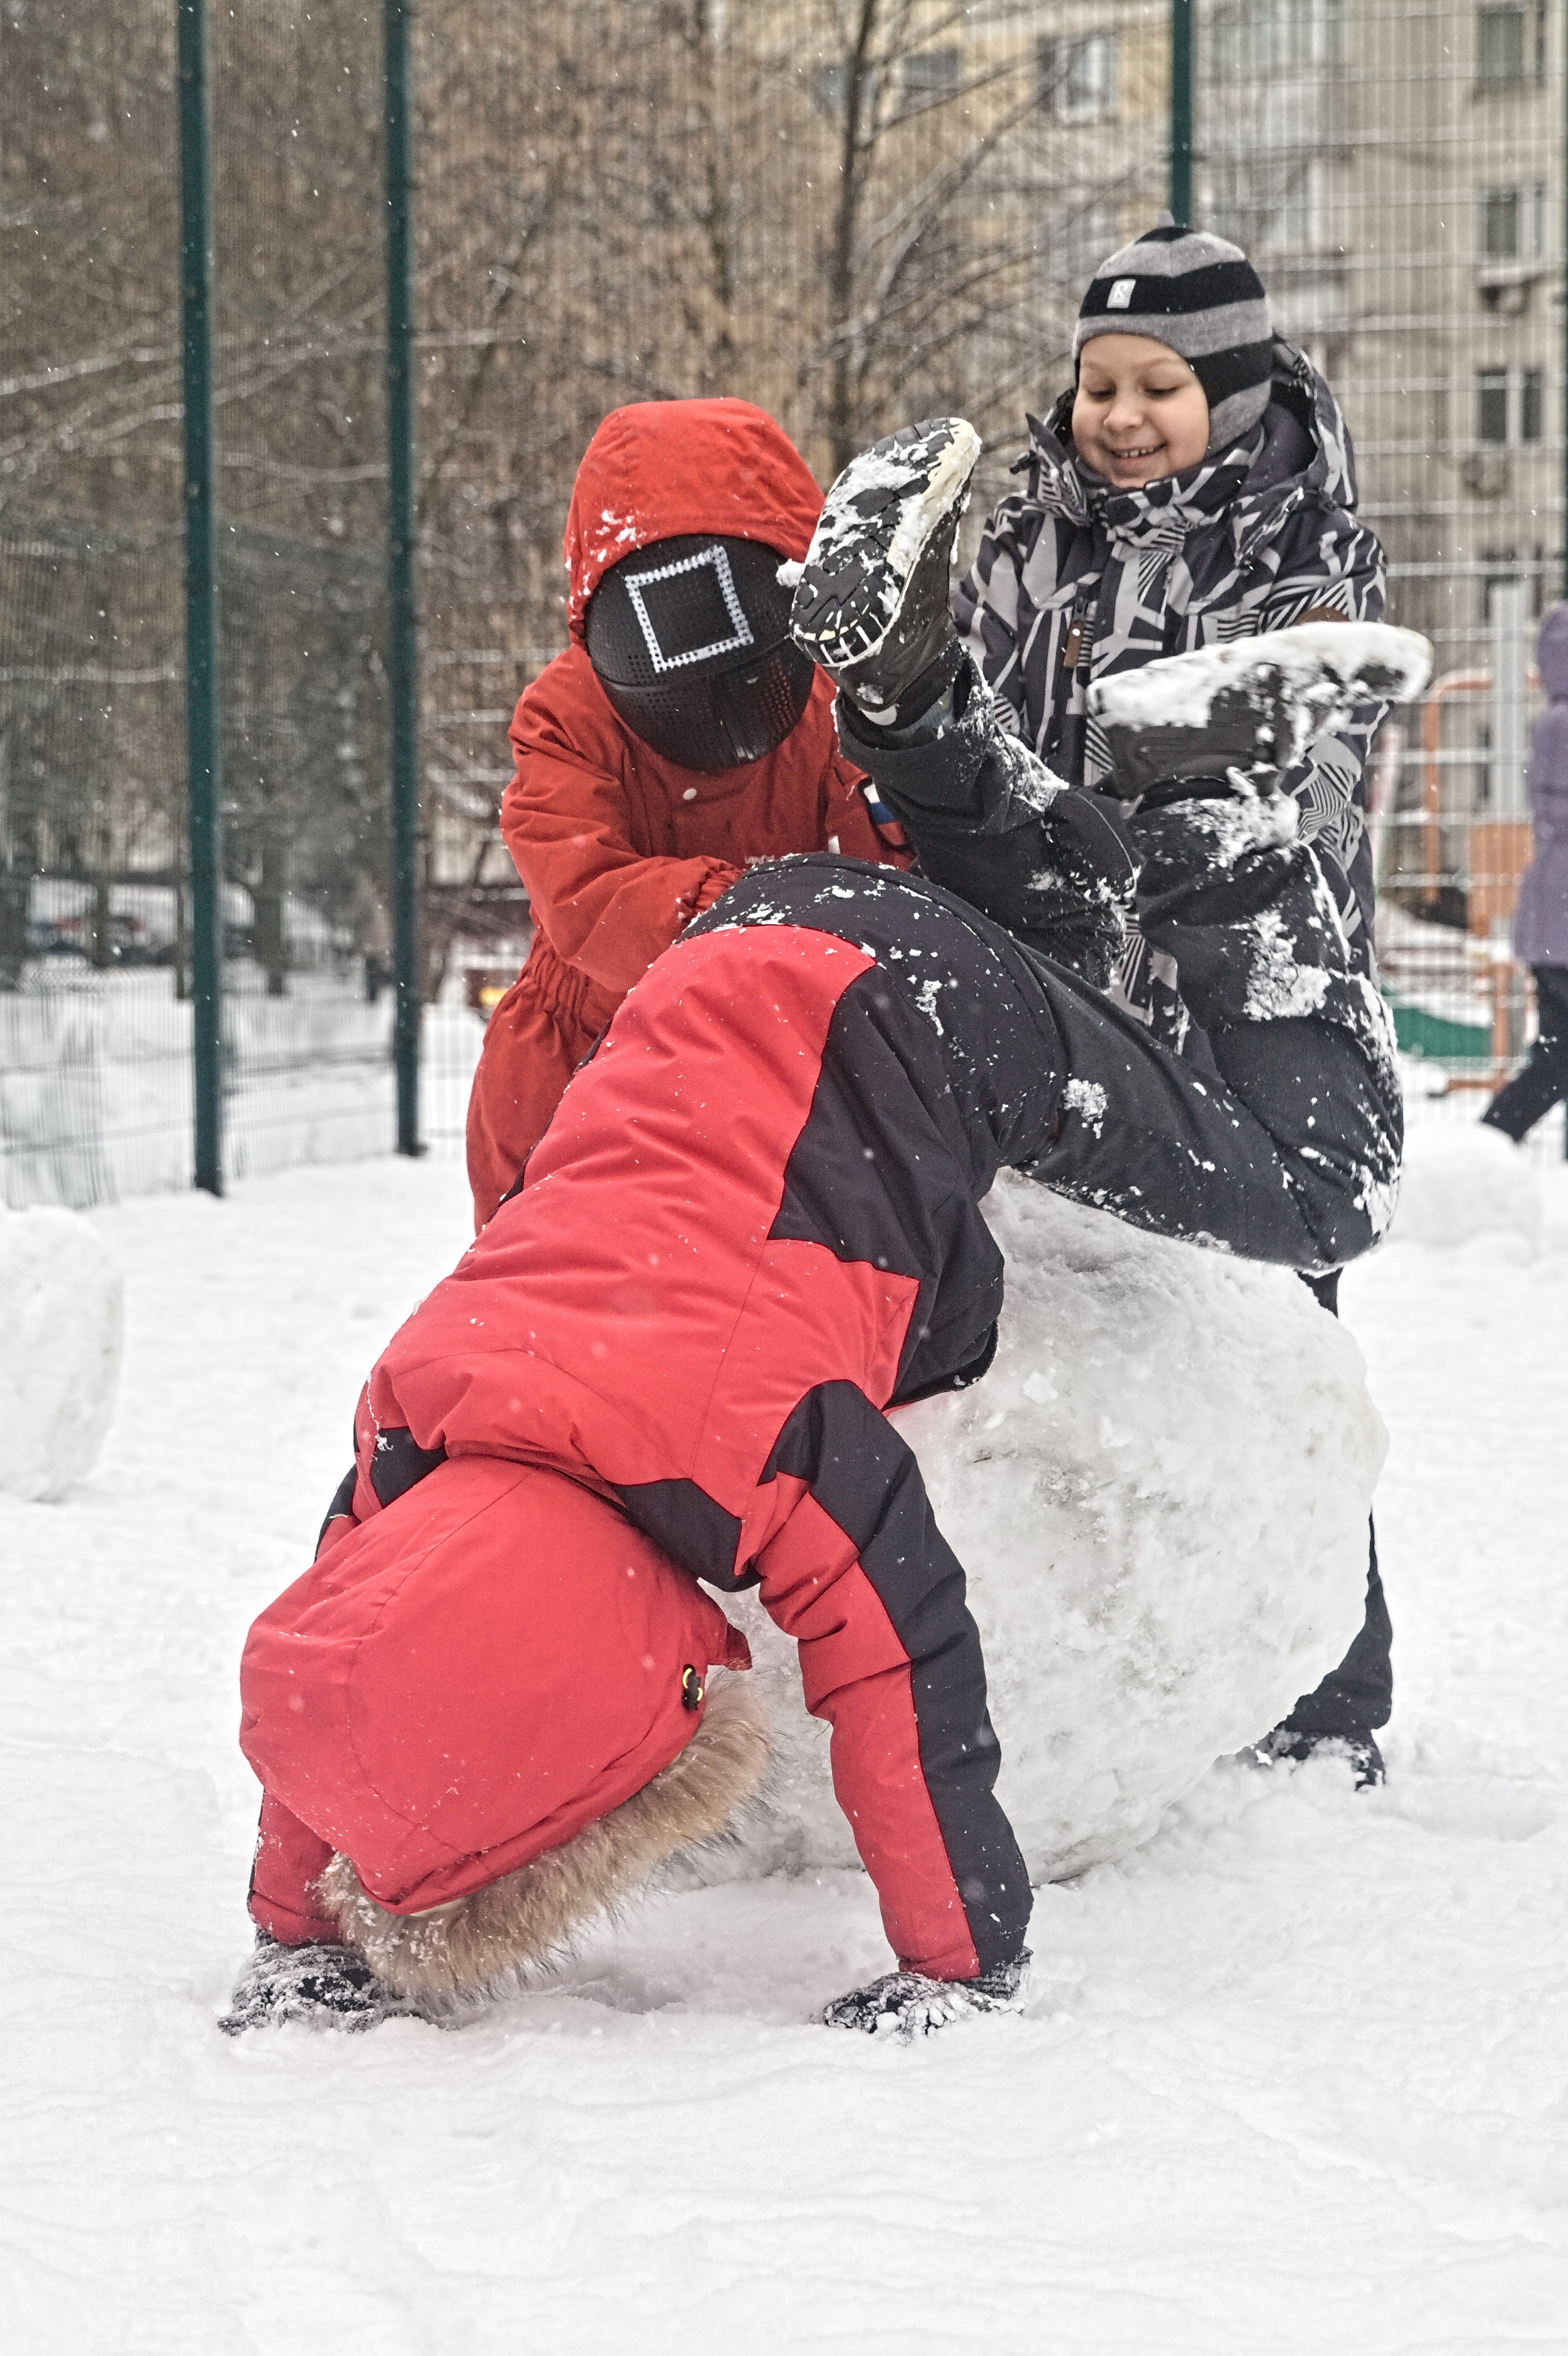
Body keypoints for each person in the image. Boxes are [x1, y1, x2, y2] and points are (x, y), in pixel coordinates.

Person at [223, 480, 1413, 2040]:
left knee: (1323, 1186)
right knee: (1081, 953)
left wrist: (958, 1962)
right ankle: (940, 712)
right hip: (750, 951)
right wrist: (292, 1922)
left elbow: (905, 1672)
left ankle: (1224, 826)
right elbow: (351, 1655)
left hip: (909, 1017)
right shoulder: (423, 1411)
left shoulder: (749, 1447)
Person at [801, 225, 1399, 1782]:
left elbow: (1326, 790)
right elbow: (1019, 713)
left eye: (1158, 387)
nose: (1119, 417)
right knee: (1062, 1311)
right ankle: (903, 687)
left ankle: (1332, 1693)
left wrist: (1198, 824)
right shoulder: (1030, 534)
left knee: (1276, 1311)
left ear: (1235, 388)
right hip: (1064, 939)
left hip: (1231, 973)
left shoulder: (1299, 545)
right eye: (1095, 386)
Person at [464, 396, 904, 1231]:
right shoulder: (565, 715)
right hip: (585, 1060)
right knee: (557, 1305)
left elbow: (885, 873)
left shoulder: (830, 700)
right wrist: (768, 915)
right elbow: (584, 892)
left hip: (794, 1054)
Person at [1483, 604, 1568, 1151]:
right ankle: (1488, 1142)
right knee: (1557, 1059)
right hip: (1561, 921)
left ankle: (1491, 1141)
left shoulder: (1552, 721)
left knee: (1558, 1052)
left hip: (1551, 917)